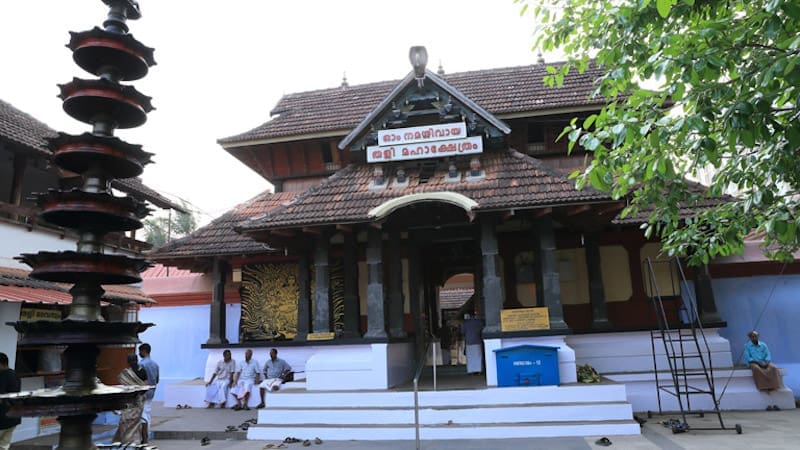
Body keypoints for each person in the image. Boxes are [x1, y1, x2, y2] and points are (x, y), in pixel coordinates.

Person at [112, 353, 147, 444]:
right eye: (132, 361)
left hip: (133, 400)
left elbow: (144, 387)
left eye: (132, 361)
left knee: (130, 420)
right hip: (134, 400)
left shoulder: (134, 372)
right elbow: (145, 386)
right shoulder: (129, 373)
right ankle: (131, 440)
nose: (132, 363)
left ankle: (131, 440)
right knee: (130, 420)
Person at [138, 343, 159, 444]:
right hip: (152, 390)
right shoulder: (155, 364)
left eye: (140, 351)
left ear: (144, 351)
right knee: (147, 412)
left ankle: (144, 437)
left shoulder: (142, 364)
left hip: (144, 391)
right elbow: (157, 379)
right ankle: (147, 434)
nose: (139, 354)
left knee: (143, 414)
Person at [0, 352, 21, 450]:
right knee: (4, 445)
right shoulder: (15, 374)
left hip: (3, 418)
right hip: (14, 417)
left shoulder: (3, 376)